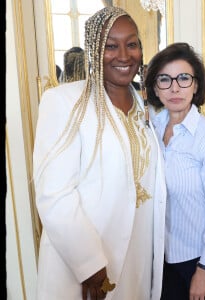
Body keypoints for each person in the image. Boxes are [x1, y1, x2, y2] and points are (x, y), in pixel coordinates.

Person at [33, 6, 167, 300]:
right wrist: (90, 266)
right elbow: (54, 194)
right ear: (93, 50)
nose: (123, 55)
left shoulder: (148, 106)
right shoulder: (65, 101)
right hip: (84, 262)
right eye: (110, 45)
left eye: (131, 44)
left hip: (138, 256)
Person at [145, 42, 205, 300]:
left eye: (183, 78)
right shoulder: (150, 129)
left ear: (195, 85)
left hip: (200, 261)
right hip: (160, 261)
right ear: (155, 87)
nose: (175, 87)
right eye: (165, 79)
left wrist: (204, 270)